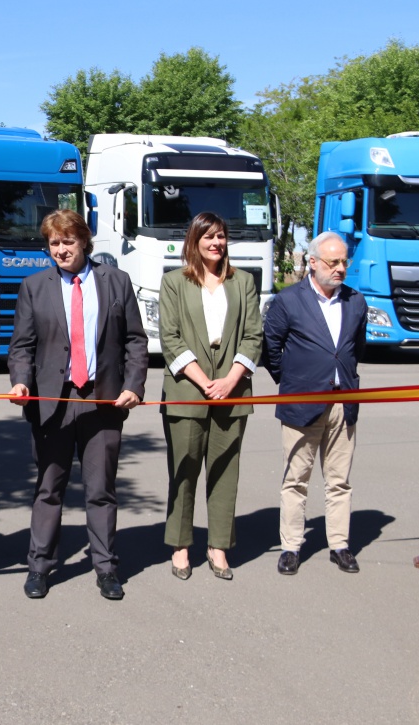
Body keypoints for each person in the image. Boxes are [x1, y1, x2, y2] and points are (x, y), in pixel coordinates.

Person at [7, 209, 146, 600]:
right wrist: (20, 381)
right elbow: (22, 347)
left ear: (84, 241)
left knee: (101, 489)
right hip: (53, 400)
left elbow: (135, 340)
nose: (61, 250)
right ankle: (39, 566)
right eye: (54, 243)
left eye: (68, 241)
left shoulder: (116, 282)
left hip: (103, 401)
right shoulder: (34, 286)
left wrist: (134, 384)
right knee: (49, 488)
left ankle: (106, 568)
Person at [159, 211, 263, 581]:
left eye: (221, 236)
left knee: (225, 473)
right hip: (188, 391)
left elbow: (253, 336)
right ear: (194, 241)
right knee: (183, 471)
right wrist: (205, 382)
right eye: (208, 237)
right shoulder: (174, 282)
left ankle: (218, 546)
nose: (216, 243)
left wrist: (231, 380)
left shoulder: (243, 282)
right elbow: (169, 337)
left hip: (232, 392)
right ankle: (181, 545)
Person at [263, 231, 368, 575]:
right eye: (333, 262)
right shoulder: (288, 300)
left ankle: (339, 544)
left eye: (344, 262)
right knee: (296, 479)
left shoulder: (355, 301)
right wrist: (294, 383)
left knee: (339, 480)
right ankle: (291, 547)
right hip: (302, 403)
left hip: (343, 403)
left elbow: (356, 349)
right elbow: (271, 350)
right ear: (312, 262)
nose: (340, 269)